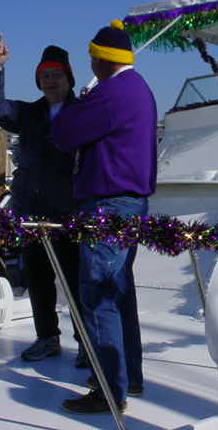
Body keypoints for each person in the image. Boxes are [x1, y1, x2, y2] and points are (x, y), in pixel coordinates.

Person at [51, 20, 157, 414]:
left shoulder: (111, 93)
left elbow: (63, 135)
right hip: (129, 203)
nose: (91, 64)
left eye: (93, 57)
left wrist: (76, 104)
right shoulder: (138, 88)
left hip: (107, 204)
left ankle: (109, 390)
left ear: (101, 60)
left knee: (98, 296)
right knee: (120, 292)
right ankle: (130, 376)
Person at [0, 36, 85, 365]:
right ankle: (47, 338)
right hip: (31, 213)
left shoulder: (84, 112)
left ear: (69, 78)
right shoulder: (27, 113)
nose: (50, 80)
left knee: (77, 281)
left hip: (69, 214)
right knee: (38, 280)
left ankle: (86, 343)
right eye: (44, 75)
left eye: (56, 74)